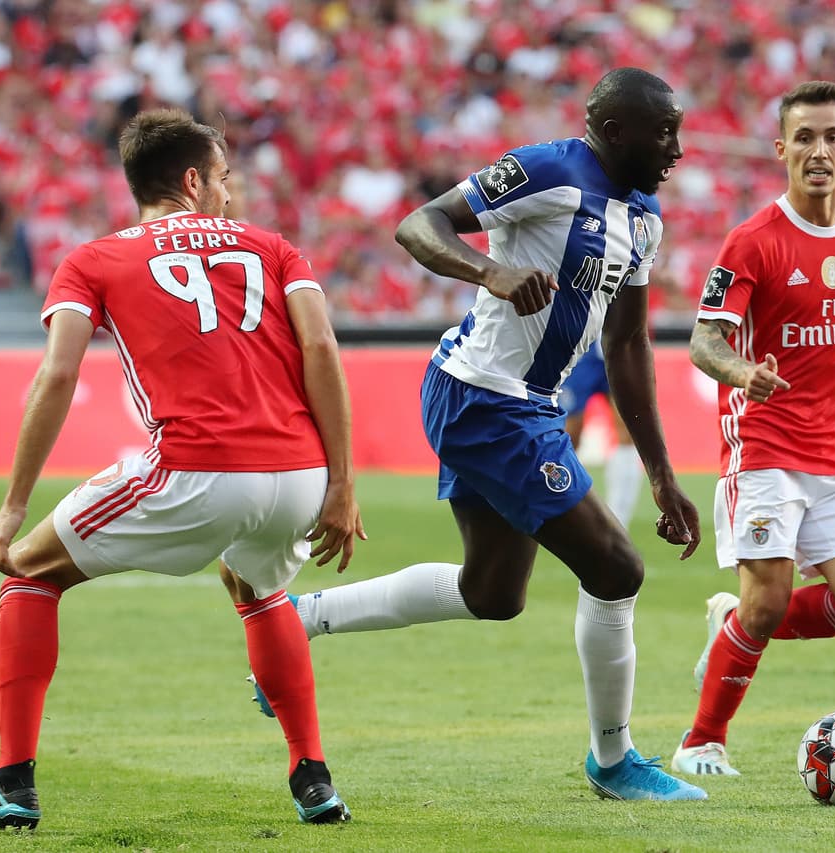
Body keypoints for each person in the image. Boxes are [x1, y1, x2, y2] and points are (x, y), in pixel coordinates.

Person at [279, 67, 708, 802]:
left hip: (519, 403)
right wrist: (491, 271)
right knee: (617, 570)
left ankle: (300, 619)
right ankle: (614, 759)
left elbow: (629, 342)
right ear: (613, 133)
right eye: (662, 131)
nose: (676, 146)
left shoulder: (644, 218)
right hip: (486, 397)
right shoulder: (549, 168)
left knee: (494, 591)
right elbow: (420, 223)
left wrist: (662, 471)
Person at [0, 108, 364, 830]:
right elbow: (321, 350)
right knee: (255, 582)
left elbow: (58, 376)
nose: (228, 195)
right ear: (194, 180)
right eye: (224, 180)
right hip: (299, 473)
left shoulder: (94, 259)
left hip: (197, 469)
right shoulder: (273, 247)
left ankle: (12, 781)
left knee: (30, 571)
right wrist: (342, 484)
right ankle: (313, 776)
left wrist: (13, 505)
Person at [671, 81, 835, 777]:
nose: (819, 150)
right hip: (766, 447)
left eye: (831, 136)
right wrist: (742, 370)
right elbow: (702, 341)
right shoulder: (752, 240)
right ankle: (701, 740)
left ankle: (736, 622)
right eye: (804, 137)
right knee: (771, 598)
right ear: (781, 150)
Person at [559, 337, 646, 528]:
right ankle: (559, 511)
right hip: (583, 346)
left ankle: (618, 521)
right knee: (569, 435)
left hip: (618, 343)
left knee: (628, 430)